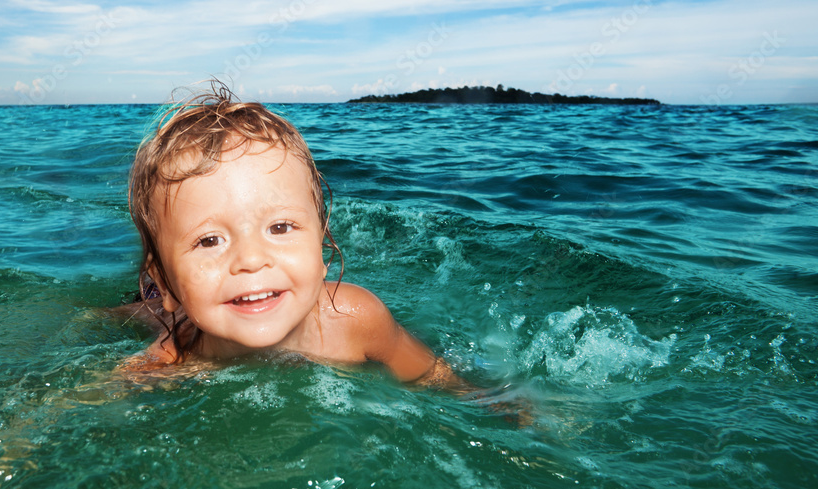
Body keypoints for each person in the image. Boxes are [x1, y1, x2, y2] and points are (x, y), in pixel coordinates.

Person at [118, 81, 528, 423]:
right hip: (168, 312)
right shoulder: (170, 360)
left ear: (321, 243)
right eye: (210, 240)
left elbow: (434, 377)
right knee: (149, 314)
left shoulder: (357, 320)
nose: (251, 260)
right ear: (165, 280)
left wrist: (498, 405)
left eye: (280, 227)